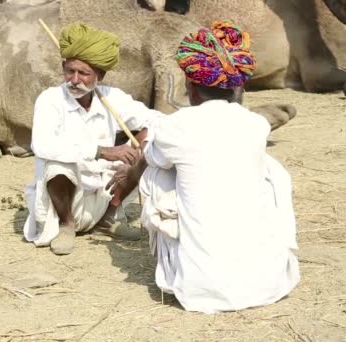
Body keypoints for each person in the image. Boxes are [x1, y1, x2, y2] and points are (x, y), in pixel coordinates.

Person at [107, 20, 300, 313]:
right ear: (239, 87)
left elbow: (149, 157)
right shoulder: (256, 125)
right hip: (268, 285)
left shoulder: (174, 127)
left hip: (202, 290)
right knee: (270, 169)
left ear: (190, 87)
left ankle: (121, 214)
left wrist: (130, 172)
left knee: (156, 167)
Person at [22, 22, 163, 255]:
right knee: (58, 164)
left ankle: (107, 219)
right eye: (70, 71)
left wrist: (140, 153)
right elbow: (42, 145)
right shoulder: (50, 99)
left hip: (102, 193)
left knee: (147, 139)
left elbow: (155, 120)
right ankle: (66, 226)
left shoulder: (113, 98)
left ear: (100, 75)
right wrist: (102, 151)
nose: (75, 80)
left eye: (84, 73)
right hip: (63, 203)